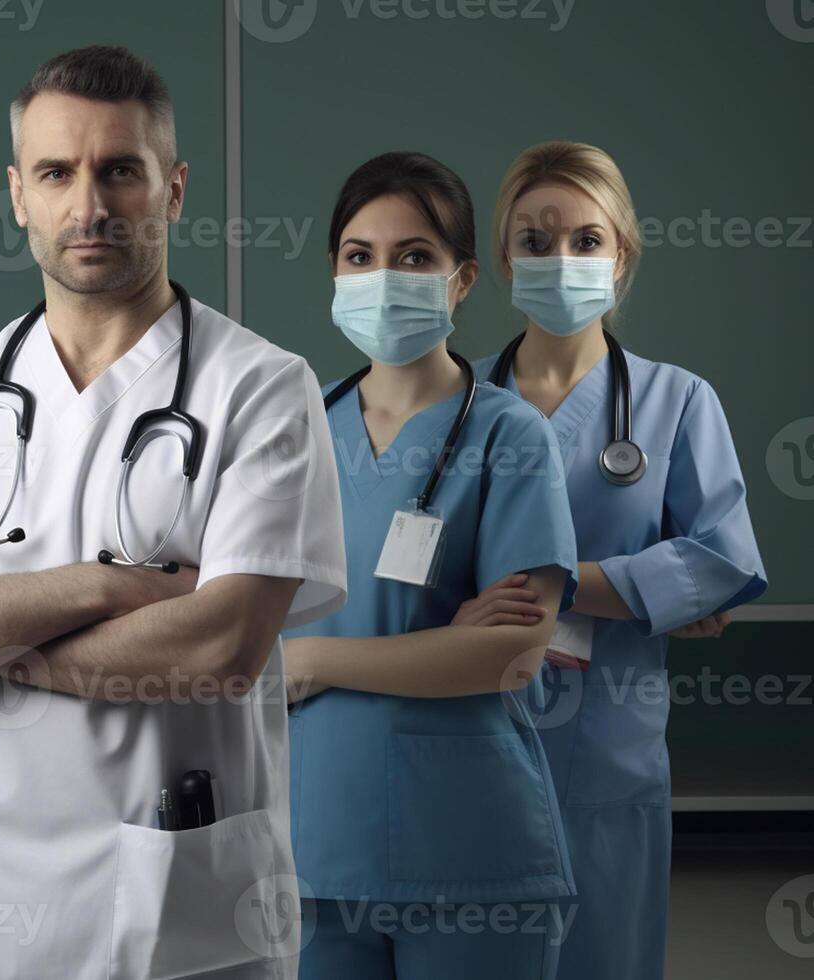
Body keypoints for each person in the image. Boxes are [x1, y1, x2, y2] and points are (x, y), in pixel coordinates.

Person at [0, 46, 347, 980]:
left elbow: (219, 650)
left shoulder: (262, 390)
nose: (90, 205)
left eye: (121, 171)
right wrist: (118, 586)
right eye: (57, 173)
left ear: (174, 187)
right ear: (18, 195)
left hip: (181, 922)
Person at [474, 140, 767, 980]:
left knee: (607, 960)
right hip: (469, 737)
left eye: (585, 240)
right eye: (534, 241)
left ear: (622, 255)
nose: (559, 259)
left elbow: (721, 560)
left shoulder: (679, 401)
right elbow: (409, 569)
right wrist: (641, 590)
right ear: (504, 259)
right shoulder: (460, 407)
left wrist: (542, 586)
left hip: (609, 751)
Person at [282, 151, 579, 980]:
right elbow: (228, 617)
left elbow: (511, 653)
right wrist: (438, 646)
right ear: (334, 272)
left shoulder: (510, 438)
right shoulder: (294, 430)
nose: (384, 277)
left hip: (469, 848)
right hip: (309, 845)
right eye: (359, 256)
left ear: (463, 279)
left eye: (415, 256)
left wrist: (308, 660)